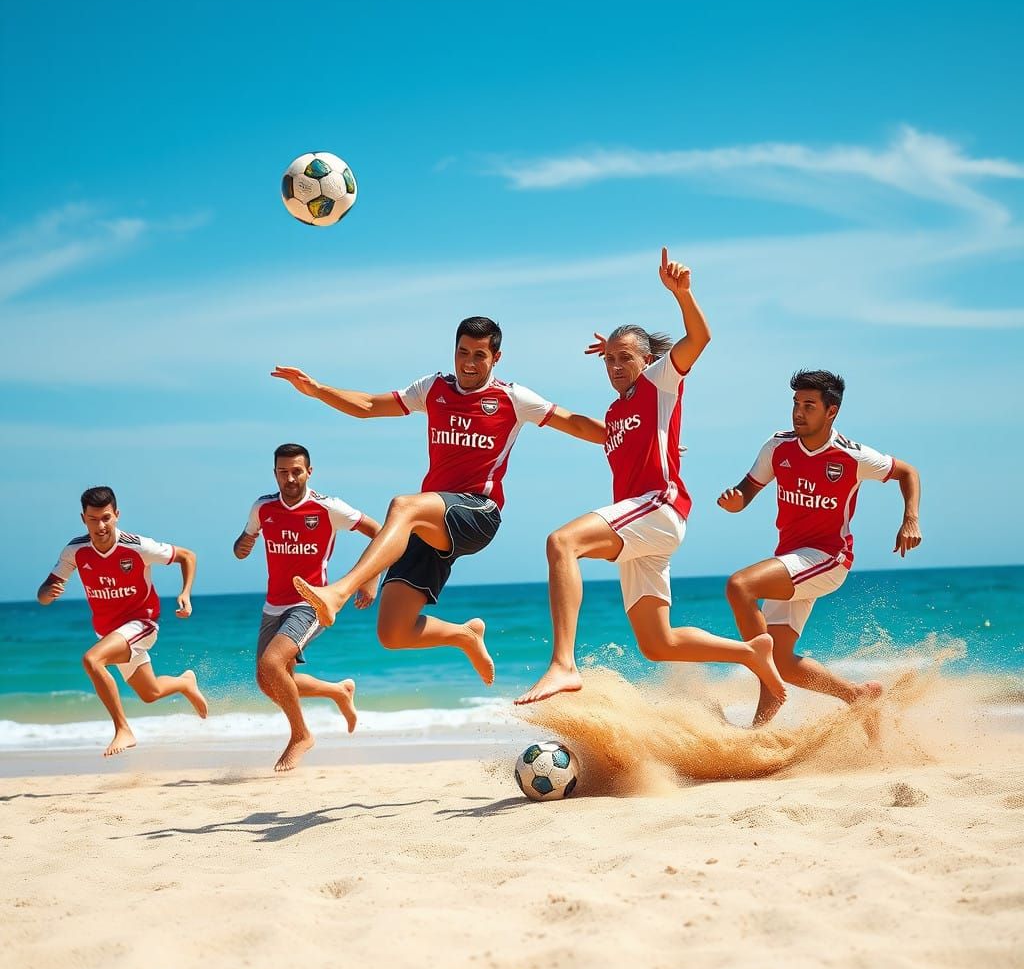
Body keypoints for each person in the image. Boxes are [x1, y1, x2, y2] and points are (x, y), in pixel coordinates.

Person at [516, 249, 785, 705]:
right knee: (657, 643)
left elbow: (699, 338)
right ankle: (751, 654)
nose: (615, 367)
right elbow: (603, 431)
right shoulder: (618, 411)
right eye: (609, 360)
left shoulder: (659, 381)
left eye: (625, 358)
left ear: (646, 360)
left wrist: (683, 295)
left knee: (562, 542)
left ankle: (563, 665)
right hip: (644, 527)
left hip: (659, 507)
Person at [271, 317, 604, 685]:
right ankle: (465, 635)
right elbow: (367, 405)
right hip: (432, 520)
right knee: (393, 633)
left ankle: (337, 593)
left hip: (478, 513)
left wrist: (633, 437)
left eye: (479, 355)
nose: (469, 363)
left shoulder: (513, 398)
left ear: (496, 357)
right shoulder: (433, 388)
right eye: (462, 352)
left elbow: (576, 423)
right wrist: (317, 389)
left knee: (404, 505)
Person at [717, 369, 922, 726]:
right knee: (780, 659)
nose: (798, 412)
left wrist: (911, 519)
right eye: (795, 404)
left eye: (809, 406)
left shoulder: (852, 456)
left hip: (828, 559)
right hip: (791, 561)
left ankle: (767, 683)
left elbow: (907, 472)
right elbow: (746, 491)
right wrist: (734, 501)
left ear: (831, 412)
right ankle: (855, 697)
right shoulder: (777, 446)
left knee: (740, 585)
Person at [234, 443, 383, 772]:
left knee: (273, 664)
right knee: (266, 680)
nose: (290, 478)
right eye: (283, 472)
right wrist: (242, 545)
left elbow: (380, 532)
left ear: (309, 472)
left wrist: (369, 579)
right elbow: (243, 544)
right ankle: (338, 691)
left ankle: (301, 735)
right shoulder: (263, 507)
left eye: (296, 471)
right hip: (274, 605)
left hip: (312, 602)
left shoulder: (328, 507)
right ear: (274, 473)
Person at [36, 486, 206, 757]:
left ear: (116, 515)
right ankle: (185, 683)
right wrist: (47, 594)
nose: (100, 525)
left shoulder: (137, 546)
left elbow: (187, 556)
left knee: (92, 660)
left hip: (142, 624)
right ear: (83, 519)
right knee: (150, 693)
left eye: (106, 518)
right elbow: (45, 593)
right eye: (93, 519)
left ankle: (123, 729)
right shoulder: (75, 551)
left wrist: (185, 593)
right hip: (110, 633)